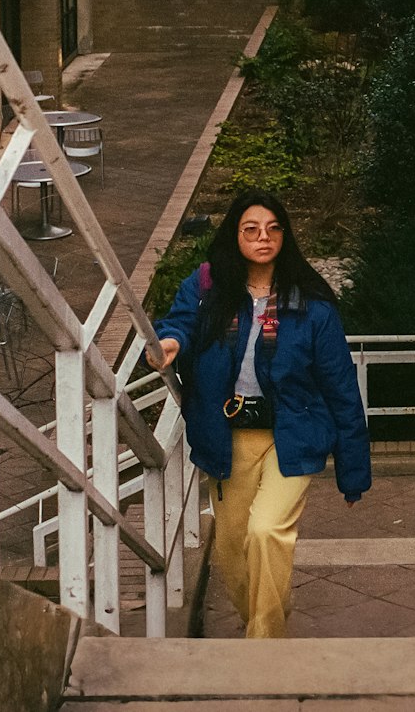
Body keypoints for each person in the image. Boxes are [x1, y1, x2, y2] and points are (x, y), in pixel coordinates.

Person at [147, 188, 371, 638]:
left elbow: (342, 390)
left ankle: (264, 647)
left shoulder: (311, 305)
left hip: (293, 433)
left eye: (273, 229)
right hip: (227, 436)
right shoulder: (208, 286)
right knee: (233, 551)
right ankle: (263, 617)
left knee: (266, 532)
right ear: (236, 235)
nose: (263, 237)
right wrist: (169, 342)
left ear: (284, 236)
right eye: (251, 229)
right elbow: (180, 323)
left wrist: (353, 472)